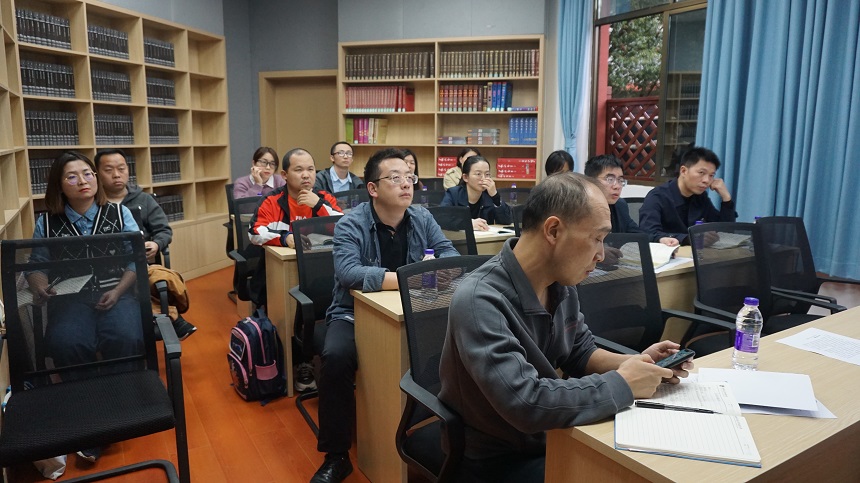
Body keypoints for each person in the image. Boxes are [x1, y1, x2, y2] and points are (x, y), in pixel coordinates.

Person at [438, 172, 692, 482]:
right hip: (499, 458)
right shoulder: (479, 299)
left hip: (554, 433)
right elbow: (526, 402)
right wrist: (623, 384)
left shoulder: (561, 282)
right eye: (596, 238)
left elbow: (580, 352)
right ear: (554, 230)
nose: (601, 254)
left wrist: (638, 364)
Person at [311, 148, 458, 483]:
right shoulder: (351, 223)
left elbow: (449, 255)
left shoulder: (421, 217)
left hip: (416, 311)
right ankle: (336, 455)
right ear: (373, 188)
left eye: (409, 177)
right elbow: (349, 273)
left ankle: (453, 434)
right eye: (395, 178)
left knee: (460, 342)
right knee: (335, 357)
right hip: (352, 312)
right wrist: (413, 278)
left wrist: (427, 275)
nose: (406, 184)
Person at [28, 151, 145, 463]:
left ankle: (116, 412)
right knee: (66, 342)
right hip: (70, 300)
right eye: (72, 176)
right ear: (59, 186)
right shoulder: (46, 222)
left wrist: (118, 291)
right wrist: (40, 286)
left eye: (88, 173)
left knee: (126, 337)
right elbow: (36, 265)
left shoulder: (119, 213)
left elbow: (135, 260)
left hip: (116, 293)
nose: (83, 180)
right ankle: (93, 413)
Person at [248, 148, 343, 393]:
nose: (306, 175)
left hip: (323, 273)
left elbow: (345, 226)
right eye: (299, 170)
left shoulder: (323, 197)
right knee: (292, 312)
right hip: (281, 273)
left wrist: (318, 205)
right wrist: (284, 238)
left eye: (311, 169)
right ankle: (299, 361)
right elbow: (254, 233)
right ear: (284, 175)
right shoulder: (271, 201)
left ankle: (324, 356)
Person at [95, 148, 196, 340]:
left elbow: (164, 230)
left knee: (151, 277)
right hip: (106, 268)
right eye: (108, 170)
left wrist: (156, 245)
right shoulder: (92, 203)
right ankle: (171, 318)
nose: (116, 174)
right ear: (97, 174)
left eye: (121, 168)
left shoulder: (144, 200)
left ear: (128, 170)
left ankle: (166, 318)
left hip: (141, 264)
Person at [638, 145, 737, 245]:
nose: (706, 180)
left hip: (695, 253)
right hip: (668, 253)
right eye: (701, 173)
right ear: (683, 171)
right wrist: (689, 238)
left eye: (711, 175)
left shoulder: (700, 197)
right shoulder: (658, 197)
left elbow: (724, 231)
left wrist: (726, 198)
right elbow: (648, 233)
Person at [441, 155, 512, 231]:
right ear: (465, 177)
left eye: (487, 174)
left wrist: (495, 196)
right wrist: (468, 223)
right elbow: (441, 218)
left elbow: (507, 220)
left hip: (485, 237)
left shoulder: (490, 195)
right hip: (461, 238)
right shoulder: (453, 193)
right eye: (478, 174)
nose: (484, 178)